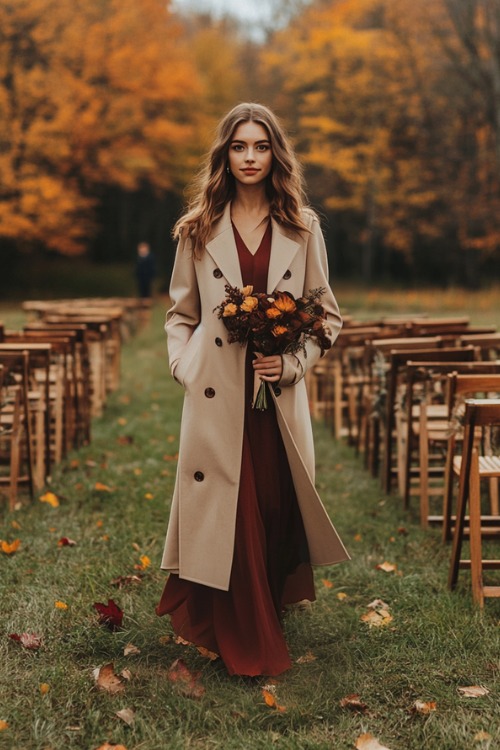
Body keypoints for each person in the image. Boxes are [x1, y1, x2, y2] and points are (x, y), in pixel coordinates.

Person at [156, 102, 350, 677]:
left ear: (274, 154)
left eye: (260, 147)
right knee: (227, 506)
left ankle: (264, 604)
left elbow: (327, 318)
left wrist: (290, 365)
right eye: (239, 147)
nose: (249, 157)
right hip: (216, 395)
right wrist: (183, 367)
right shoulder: (196, 228)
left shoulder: (303, 226)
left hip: (274, 398)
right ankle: (244, 633)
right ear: (225, 154)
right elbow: (179, 314)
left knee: (270, 502)